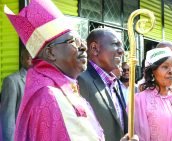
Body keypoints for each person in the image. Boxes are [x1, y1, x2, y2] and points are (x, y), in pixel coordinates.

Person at [4, 0, 137, 141]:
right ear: (50, 53)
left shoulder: (67, 89)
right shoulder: (48, 96)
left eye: (81, 42)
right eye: (73, 41)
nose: (83, 47)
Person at [78, 28, 128, 141]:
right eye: (115, 44)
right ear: (95, 48)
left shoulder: (114, 82)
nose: (121, 51)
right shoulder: (81, 80)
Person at [0, 48, 32, 141]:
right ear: (22, 59)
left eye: (34, 57)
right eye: (28, 57)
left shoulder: (40, 81)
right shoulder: (12, 81)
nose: (32, 60)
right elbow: (8, 118)